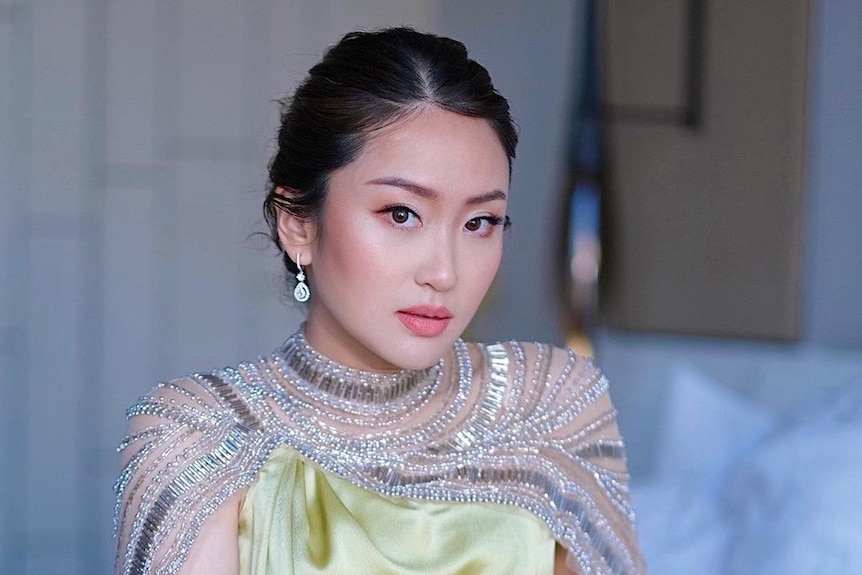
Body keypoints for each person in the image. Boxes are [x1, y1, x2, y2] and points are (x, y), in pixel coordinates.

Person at [114, 27, 646, 575]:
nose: (444, 272)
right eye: (401, 214)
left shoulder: (553, 404)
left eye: (480, 222)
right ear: (298, 224)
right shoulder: (203, 433)